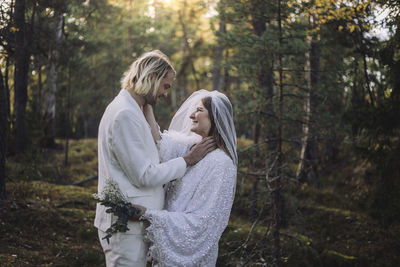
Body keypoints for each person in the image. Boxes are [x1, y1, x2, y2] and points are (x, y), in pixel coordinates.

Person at [94, 51, 216, 267]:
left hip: (136, 225)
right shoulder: (124, 114)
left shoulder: (134, 108)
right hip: (125, 227)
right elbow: (144, 174)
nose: (166, 93)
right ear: (151, 78)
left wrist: (147, 104)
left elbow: (155, 144)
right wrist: (188, 160)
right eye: (165, 86)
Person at [133, 89, 238, 266]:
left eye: (199, 110)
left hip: (192, 254)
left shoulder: (222, 163)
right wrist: (148, 101)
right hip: (166, 244)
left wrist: (149, 216)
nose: (191, 115)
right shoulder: (191, 147)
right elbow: (158, 140)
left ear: (215, 117)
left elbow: (206, 222)